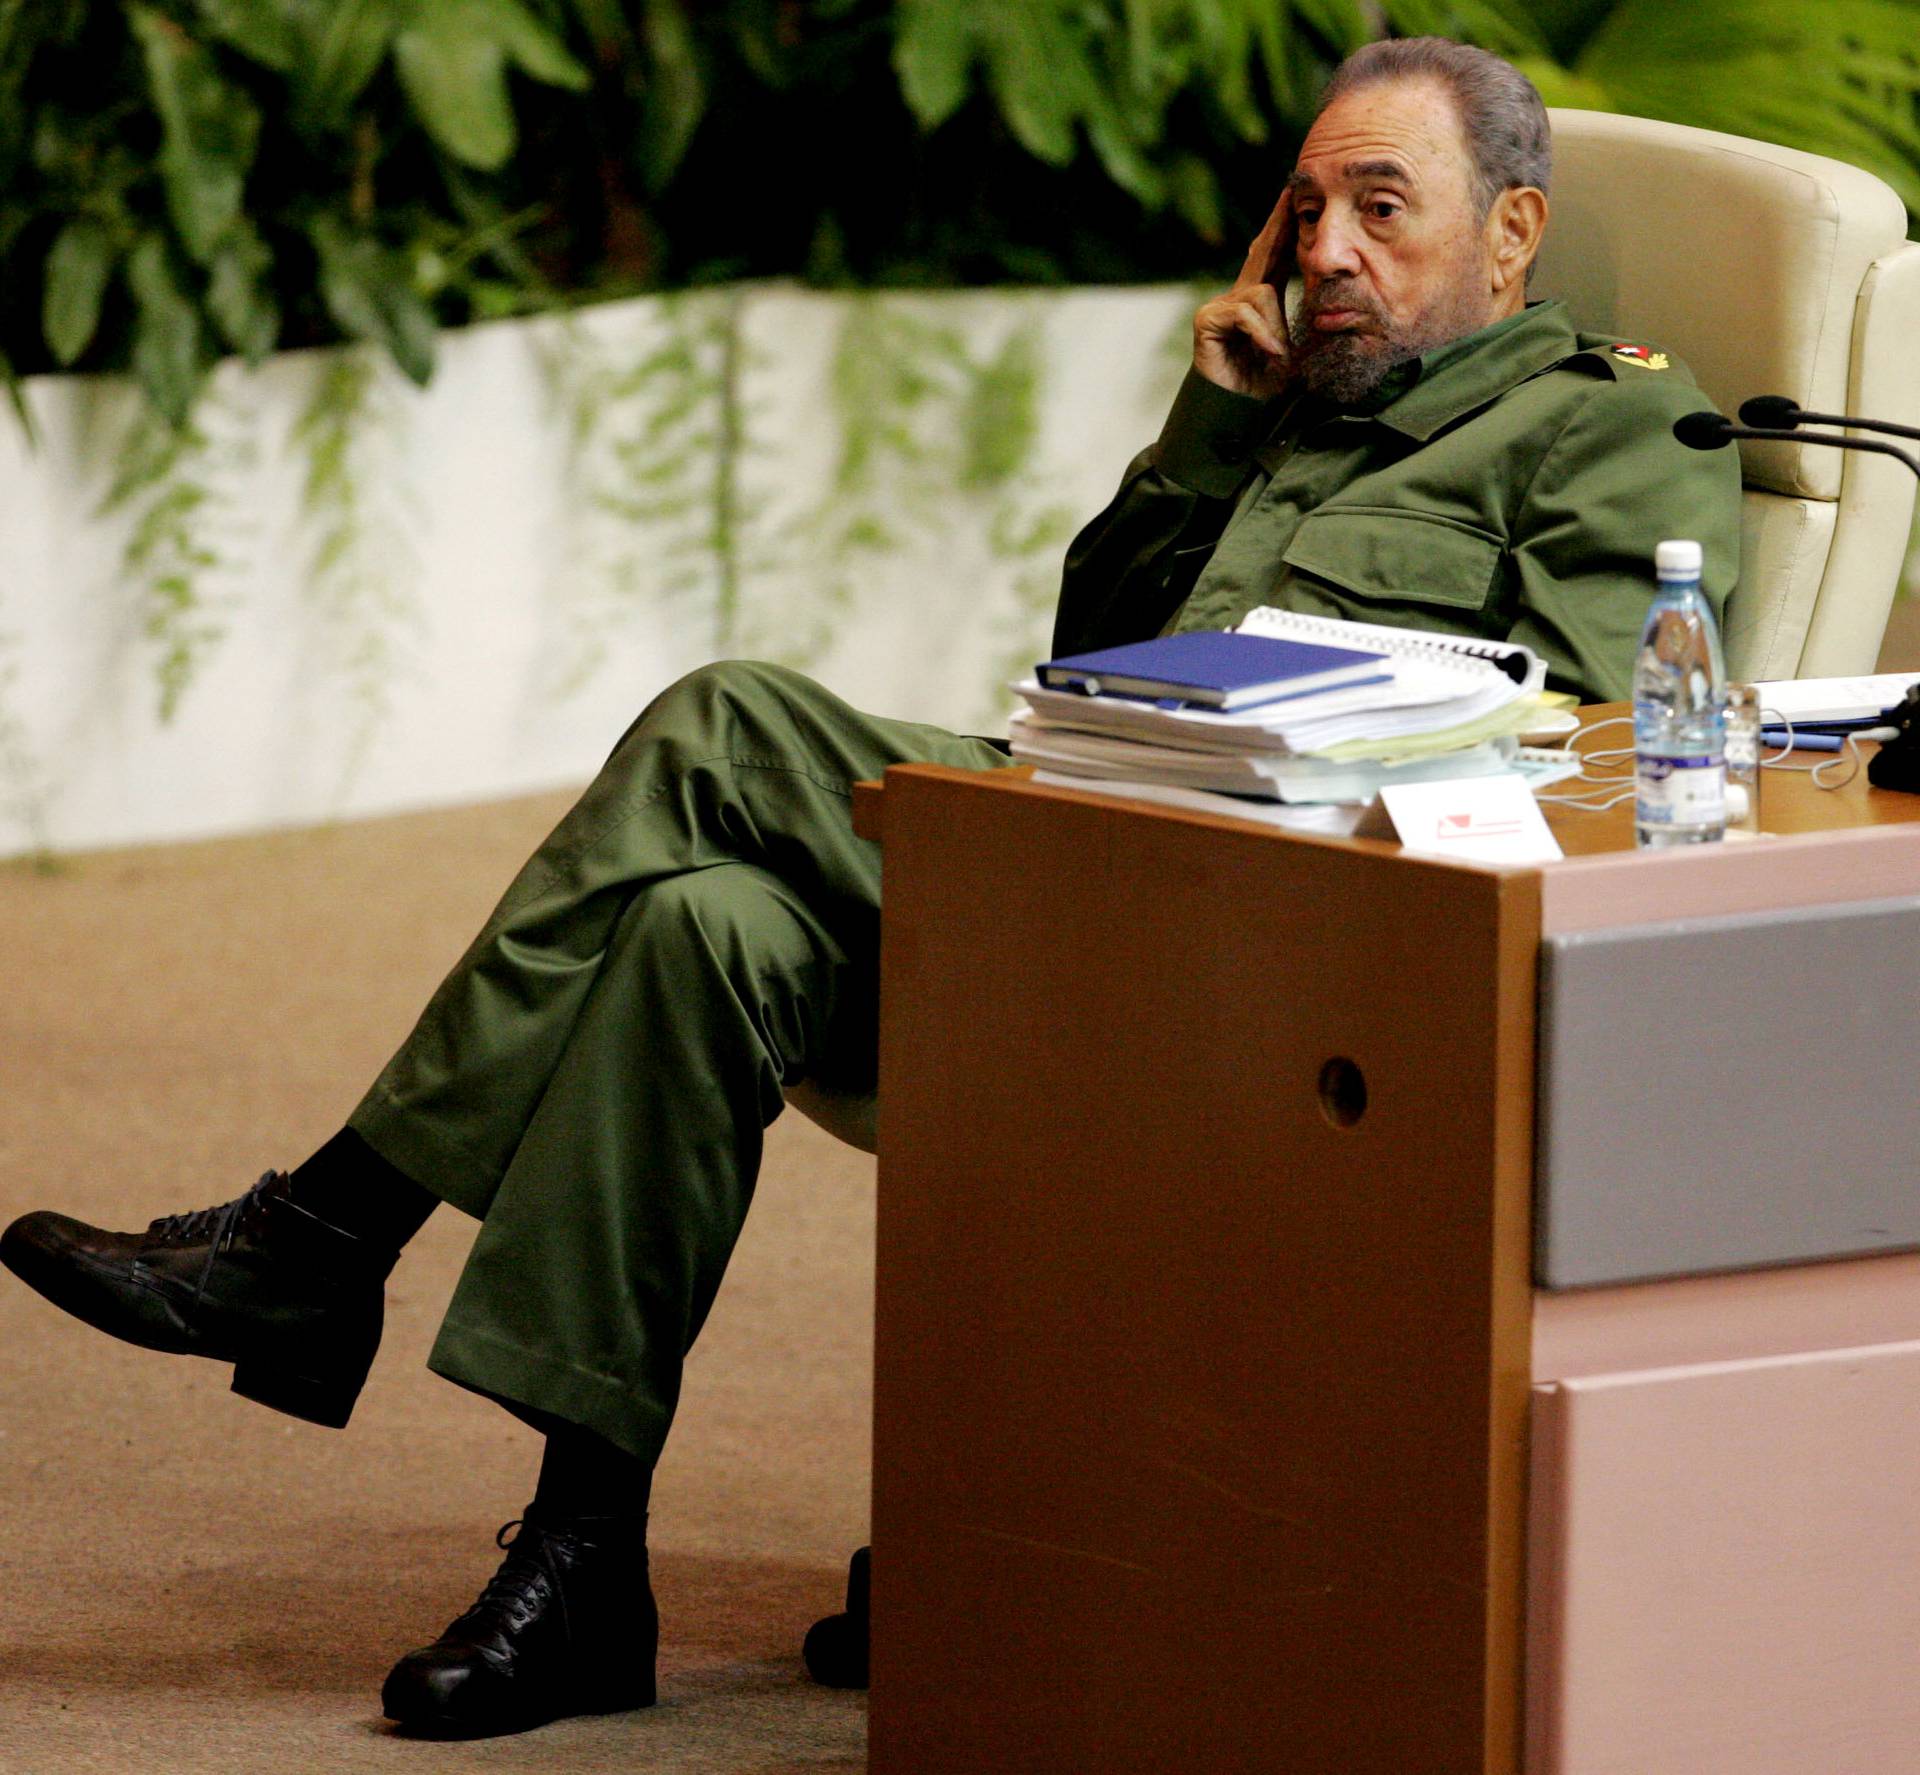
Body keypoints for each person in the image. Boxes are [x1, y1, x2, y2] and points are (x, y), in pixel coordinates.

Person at [0, 34, 1739, 1744]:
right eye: (1303, 211)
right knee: (700, 930)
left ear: (1512, 238)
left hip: (1295, 941)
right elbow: (1098, 662)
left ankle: (324, 1236)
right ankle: (585, 1556)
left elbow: (1579, 755)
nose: (1328, 252)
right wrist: (1213, 423)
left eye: (1382, 207)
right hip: (1090, 873)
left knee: (722, 722)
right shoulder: (1292, 408)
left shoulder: (1612, 424)